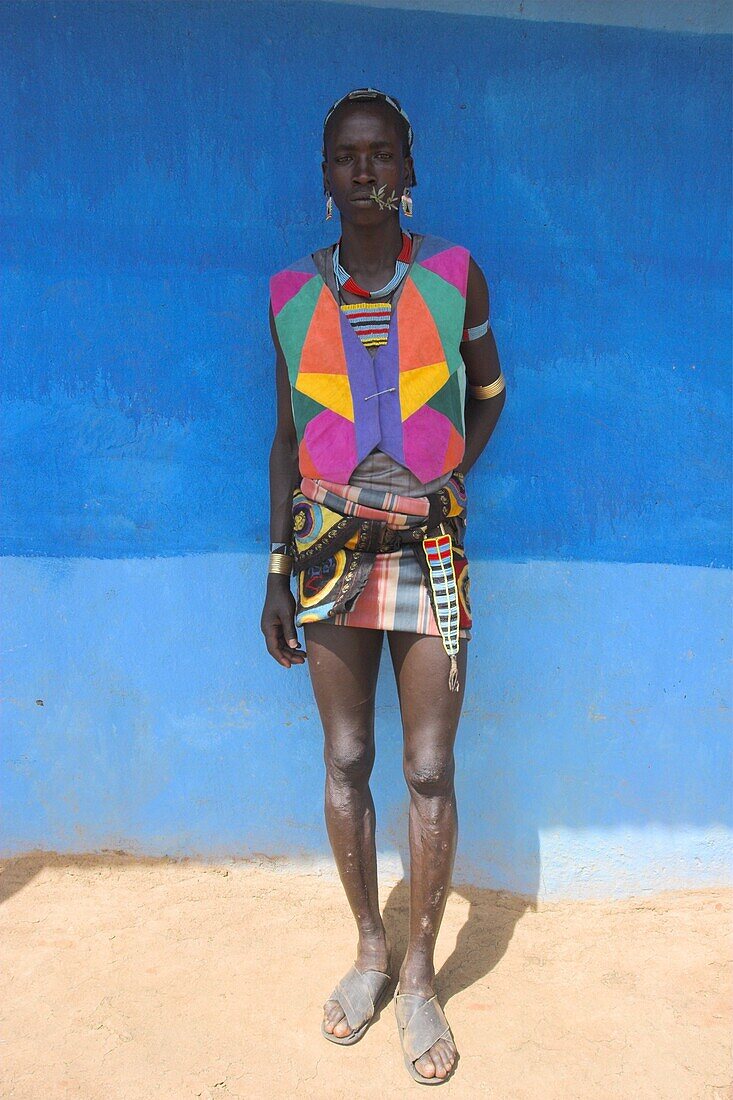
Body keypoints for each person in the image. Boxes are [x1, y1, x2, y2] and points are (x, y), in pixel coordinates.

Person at [261, 88, 506, 1085]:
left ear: (409, 168)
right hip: (325, 556)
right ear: (324, 176)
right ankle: (367, 945)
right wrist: (276, 566)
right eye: (345, 157)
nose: (364, 172)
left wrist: (451, 476)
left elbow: (489, 393)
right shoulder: (288, 293)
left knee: (430, 768)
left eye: (381, 155)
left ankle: (417, 976)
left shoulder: (453, 276)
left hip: (427, 554)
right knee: (349, 751)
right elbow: (285, 437)